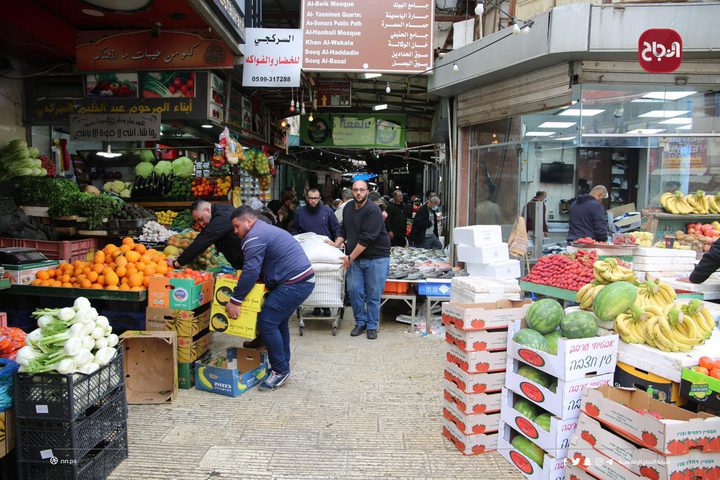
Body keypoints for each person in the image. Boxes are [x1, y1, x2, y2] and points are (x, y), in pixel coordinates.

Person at [225, 206, 315, 391]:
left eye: (236, 226)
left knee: (267, 322)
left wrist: (235, 300)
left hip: (295, 283)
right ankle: (282, 364)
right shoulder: (262, 230)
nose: (235, 232)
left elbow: (251, 270)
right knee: (278, 322)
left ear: (248, 222)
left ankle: (280, 370)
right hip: (299, 280)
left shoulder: (254, 237)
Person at [332, 180, 391, 340]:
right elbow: (344, 229)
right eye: (355, 190)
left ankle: (372, 325)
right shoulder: (348, 208)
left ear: (367, 192)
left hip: (377, 257)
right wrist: (336, 243)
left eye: (362, 190)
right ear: (352, 191)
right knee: (354, 291)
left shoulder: (373, 210)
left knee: (373, 293)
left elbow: (367, 239)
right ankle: (360, 322)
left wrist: (350, 257)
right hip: (356, 258)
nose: (358, 193)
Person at [290, 188, 341, 316]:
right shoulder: (300, 212)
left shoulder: (328, 211)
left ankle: (326, 305)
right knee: (310, 277)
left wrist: (336, 243)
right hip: (307, 250)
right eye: (311, 198)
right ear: (307, 198)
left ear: (319, 199)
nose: (313, 201)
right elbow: (294, 230)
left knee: (326, 278)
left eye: (316, 198)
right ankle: (315, 305)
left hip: (325, 249)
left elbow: (336, 229)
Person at [171, 200, 244, 270]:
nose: (200, 223)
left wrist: (177, 263)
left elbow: (202, 241)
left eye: (200, 219)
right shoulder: (223, 210)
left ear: (207, 210)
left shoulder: (222, 218)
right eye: (197, 221)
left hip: (248, 262)